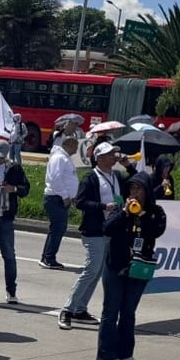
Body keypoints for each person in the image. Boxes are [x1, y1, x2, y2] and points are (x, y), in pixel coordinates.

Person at [95, 177, 167, 360]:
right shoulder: (120, 209)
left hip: (139, 267)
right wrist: (125, 213)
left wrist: (142, 216)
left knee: (128, 312)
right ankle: (105, 357)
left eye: (139, 189)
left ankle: (125, 353)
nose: (135, 193)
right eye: (132, 189)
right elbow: (107, 229)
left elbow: (157, 230)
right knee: (111, 311)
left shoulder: (156, 212)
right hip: (116, 267)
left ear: (146, 192)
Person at [59, 142, 123, 330]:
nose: (114, 157)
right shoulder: (91, 178)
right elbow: (80, 202)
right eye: (110, 154)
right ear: (99, 157)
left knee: (97, 273)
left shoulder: (116, 176)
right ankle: (67, 309)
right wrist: (104, 207)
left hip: (110, 230)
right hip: (94, 231)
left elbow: (136, 181)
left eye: (114, 153)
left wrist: (128, 164)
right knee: (90, 270)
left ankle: (80, 309)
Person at [0, 140, 29, 305]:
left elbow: (26, 188)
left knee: (9, 255)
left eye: (0, 157)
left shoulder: (13, 168)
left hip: (5, 217)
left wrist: (15, 189)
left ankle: (11, 291)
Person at [41, 134, 80, 270]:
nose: (77, 148)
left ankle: (46, 257)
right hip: (56, 198)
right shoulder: (59, 158)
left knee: (56, 228)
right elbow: (55, 178)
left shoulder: (65, 158)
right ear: (69, 144)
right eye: (75, 145)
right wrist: (65, 196)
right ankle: (49, 258)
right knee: (58, 228)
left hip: (60, 198)